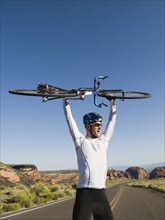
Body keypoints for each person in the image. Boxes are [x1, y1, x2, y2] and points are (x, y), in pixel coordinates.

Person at [63, 98, 116, 220]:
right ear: (87, 126)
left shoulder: (103, 141)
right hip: (84, 195)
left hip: (101, 194)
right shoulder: (80, 142)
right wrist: (65, 101)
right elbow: (69, 120)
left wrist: (112, 102)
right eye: (96, 125)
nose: (99, 127)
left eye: (100, 125)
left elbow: (112, 121)